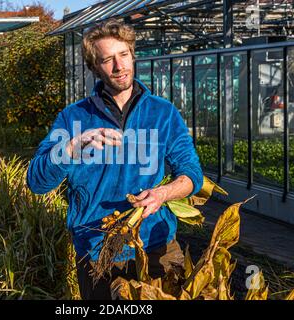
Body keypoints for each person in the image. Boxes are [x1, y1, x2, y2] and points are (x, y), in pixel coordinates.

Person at [27, 19, 203, 300]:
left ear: (133, 55)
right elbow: (37, 182)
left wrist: (163, 193)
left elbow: (192, 174)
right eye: (108, 60)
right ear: (94, 67)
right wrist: (71, 147)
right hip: (98, 252)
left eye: (123, 55)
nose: (119, 67)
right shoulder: (73, 118)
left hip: (156, 246)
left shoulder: (163, 113)